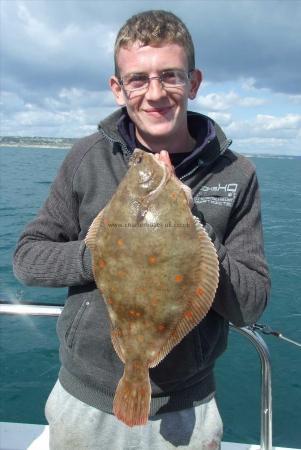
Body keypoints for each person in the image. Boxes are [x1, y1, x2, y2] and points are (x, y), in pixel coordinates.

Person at [13, 9, 270, 450]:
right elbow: (26, 260)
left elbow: (250, 304)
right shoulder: (84, 160)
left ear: (193, 82)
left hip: (187, 405)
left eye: (170, 76)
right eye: (137, 79)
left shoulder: (237, 174)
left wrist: (194, 228)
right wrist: (107, 254)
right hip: (84, 397)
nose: (155, 93)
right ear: (118, 88)